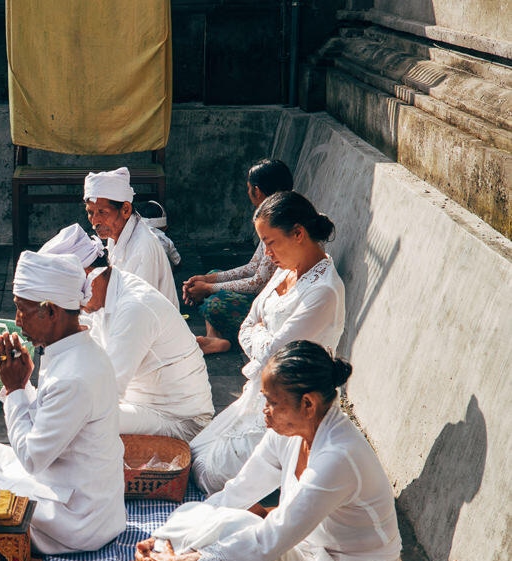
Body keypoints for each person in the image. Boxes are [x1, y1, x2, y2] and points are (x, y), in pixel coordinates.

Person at [51, 341, 401, 561]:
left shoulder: (338, 457)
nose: (264, 412)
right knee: (202, 514)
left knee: (242, 533)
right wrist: (170, 537)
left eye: (273, 402)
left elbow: (271, 540)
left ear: (308, 404)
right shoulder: (292, 431)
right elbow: (234, 494)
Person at [0, 249, 127, 554]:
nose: (16, 321)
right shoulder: (74, 350)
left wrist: (14, 389)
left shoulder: (73, 376)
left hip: (77, 521)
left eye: (21, 310)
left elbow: (32, 459)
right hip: (84, 497)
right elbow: (50, 417)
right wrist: (23, 384)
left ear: (49, 311)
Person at [189, 190, 345, 495]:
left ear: (298, 233)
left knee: (211, 475)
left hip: (290, 404)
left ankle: (273, 479)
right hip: (259, 391)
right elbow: (249, 321)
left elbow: (275, 351)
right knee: (193, 452)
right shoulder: (284, 272)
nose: (267, 253)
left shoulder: (323, 291)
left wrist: (259, 335)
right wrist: (261, 335)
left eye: (270, 243)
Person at [39, 223, 213, 441]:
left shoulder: (134, 308)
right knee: (60, 409)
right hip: (140, 405)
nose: (71, 303)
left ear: (89, 275)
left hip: (180, 422)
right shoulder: (103, 291)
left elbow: (108, 393)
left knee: (77, 418)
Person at [182, 159, 294, 354]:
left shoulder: (279, 220)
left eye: (249, 188)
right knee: (213, 275)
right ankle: (214, 338)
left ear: (256, 191)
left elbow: (257, 283)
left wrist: (208, 288)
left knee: (215, 302)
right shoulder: (277, 211)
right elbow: (253, 267)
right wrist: (209, 279)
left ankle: (220, 337)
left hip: (275, 305)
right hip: (265, 293)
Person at [83, 167, 179, 307]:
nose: (95, 221)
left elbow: (140, 307)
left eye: (102, 212)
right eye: (90, 212)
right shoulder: (115, 234)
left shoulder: (143, 247)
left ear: (126, 210)